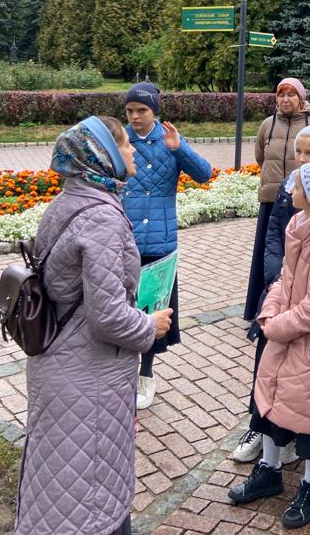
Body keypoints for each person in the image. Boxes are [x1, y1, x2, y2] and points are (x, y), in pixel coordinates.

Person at [15, 116, 173, 535]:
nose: (134, 150)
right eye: (124, 145)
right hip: (88, 378)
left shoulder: (68, 202)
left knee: (59, 486)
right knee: (88, 498)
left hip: (60, 364)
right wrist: (149, 325)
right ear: (103, 157)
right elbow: (107, 317)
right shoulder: (101, 217)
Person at [228, 162, 310, 530]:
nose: (289, 189)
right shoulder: (298, 227)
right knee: (270, 400)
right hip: (286, 334)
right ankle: (269, 469)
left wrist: (277, 327)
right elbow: (285, 278)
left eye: (296, 186)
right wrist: (269, 310)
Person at [233, 124, 310, 463]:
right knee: (267, 364)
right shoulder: (287, 190)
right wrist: (277, 273)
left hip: (302, 307)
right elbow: (274, 233)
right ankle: (260, 427)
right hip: (281, 288)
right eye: (299, 153)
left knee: (299, 377)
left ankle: (290, 437)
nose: (302, 159)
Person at [122, 83, 212, 410]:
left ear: (154, 111)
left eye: (141, 110)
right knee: (124, 309)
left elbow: (204, 174)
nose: (134, 117)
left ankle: (146, 373)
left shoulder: (170, 140)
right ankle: (122, 371)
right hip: (124, 241)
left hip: (160, 244)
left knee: (153, 310)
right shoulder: (122, 142)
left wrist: (179, 149)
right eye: (130, 110)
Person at [244, 78, 310, 322]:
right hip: (272, 198)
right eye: (281, 95)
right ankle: (263, 304)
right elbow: (261, 156)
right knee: (271, 251)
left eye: (291, 95)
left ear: (301, 98)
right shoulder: (267, 125)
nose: (285, 100)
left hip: (304, 201)